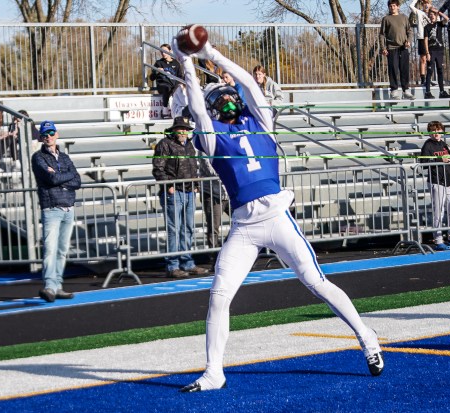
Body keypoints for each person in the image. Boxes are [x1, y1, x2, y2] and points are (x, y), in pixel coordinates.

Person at [171, 35, 384, 393]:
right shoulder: (212, 136)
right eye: (217, 98)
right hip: (243, 226)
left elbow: (251, 83)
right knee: (219, 294)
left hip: (276, 217)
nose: (225, 99)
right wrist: (186, 63)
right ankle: (214, 372)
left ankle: (367, 337)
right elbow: (195, 102)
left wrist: (211, 54)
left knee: (315, 281)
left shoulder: (261, 121)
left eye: (228, 94)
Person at [152, 116, 209, 279]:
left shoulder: (189, 145)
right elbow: (158, 169)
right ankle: (172, 265)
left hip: (189, 191)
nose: (183, 132)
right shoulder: (164, 144)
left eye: (185, 129)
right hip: (174, 192)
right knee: (174, 229)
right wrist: (168, 185)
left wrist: (196, 183)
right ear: (174, 129)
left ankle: (187, 262)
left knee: (188, 228)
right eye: (180, 129)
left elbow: (193, 166)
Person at [31, 121, 81, 303]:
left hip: (68, 207)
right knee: (50, 249)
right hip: (52, 207)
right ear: (41, 137)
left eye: (51, 133)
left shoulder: (65, 157)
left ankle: (57, 285)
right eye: (45, 134)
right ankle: (50, 287)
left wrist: (60, 176)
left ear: (56, 134)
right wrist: (63, 176)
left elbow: (78, 180)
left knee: (62, 250)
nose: (48, 136)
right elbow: (51, 179)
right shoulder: (38, 157)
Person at [420, 121, 450, 250]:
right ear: (430, 132)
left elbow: (449, 157)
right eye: (433, 131)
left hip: (449, 181)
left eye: (438, 130)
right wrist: (440, 159)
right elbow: (423, 162)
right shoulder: (427, 145)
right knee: (439, 212)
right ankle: (438, 240)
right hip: (436, 181)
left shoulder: (443, 144)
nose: (436, 133)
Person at [198, 155, 230, 267]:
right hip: (212, 195)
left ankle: (227, 250)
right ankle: (216, 259)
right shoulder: (204, 147)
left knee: (242, 220)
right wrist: (230, 169)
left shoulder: (223, 143)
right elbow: (210, 170)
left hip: (229, 193)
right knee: (213, 228)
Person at [380, 0, 415, 100]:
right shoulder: (386, 19)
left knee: (404, 69)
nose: (392, 7)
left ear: (398, 7)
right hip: (391, 48)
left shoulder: (404, 17)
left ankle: (406, 90)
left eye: (394, 6)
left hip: (403, 48)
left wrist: (408, 41)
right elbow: (382, 34)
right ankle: (394, 90)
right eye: (390, 6)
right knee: (393, 69)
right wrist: (383, 48)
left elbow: (409, 31)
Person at [423, 8, 450, 99]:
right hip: (431, 51)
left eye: (433, 14)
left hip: (439, 50)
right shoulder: (427, 27)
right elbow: (426, 40)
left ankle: (442, 91)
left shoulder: (439, 24)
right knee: (430, 71)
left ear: (436, 16)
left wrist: (439, 12)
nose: (432, 16)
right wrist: (427, 52)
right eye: (430, 14)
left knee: (440, 70)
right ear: (429, 16)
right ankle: (427, 92)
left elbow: (447, 19)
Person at [149, 44, 182, 119]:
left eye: (165, 51)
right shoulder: (158, 63)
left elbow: (180, 77)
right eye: (161, 52)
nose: (163, 53)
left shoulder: (176, 63)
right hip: (162, 85)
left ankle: (177, 111)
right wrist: (156, 71)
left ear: (170, 51)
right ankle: (165, 110)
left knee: (177, 89)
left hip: (173, 85)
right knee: (166, 87)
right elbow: (151, 78)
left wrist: (177, 85)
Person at [409, 0, 432, 86]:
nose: (426, 5)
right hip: (422, 37)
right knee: (423, 59)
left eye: (428, 3)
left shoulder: (433, 13)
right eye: (424, 3)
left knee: (431, 60)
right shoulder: (419, 12)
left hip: (431, 39)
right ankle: (423, 80)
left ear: (430, 4)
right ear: (422, 4)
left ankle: (429, 79)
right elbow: (411, 6)